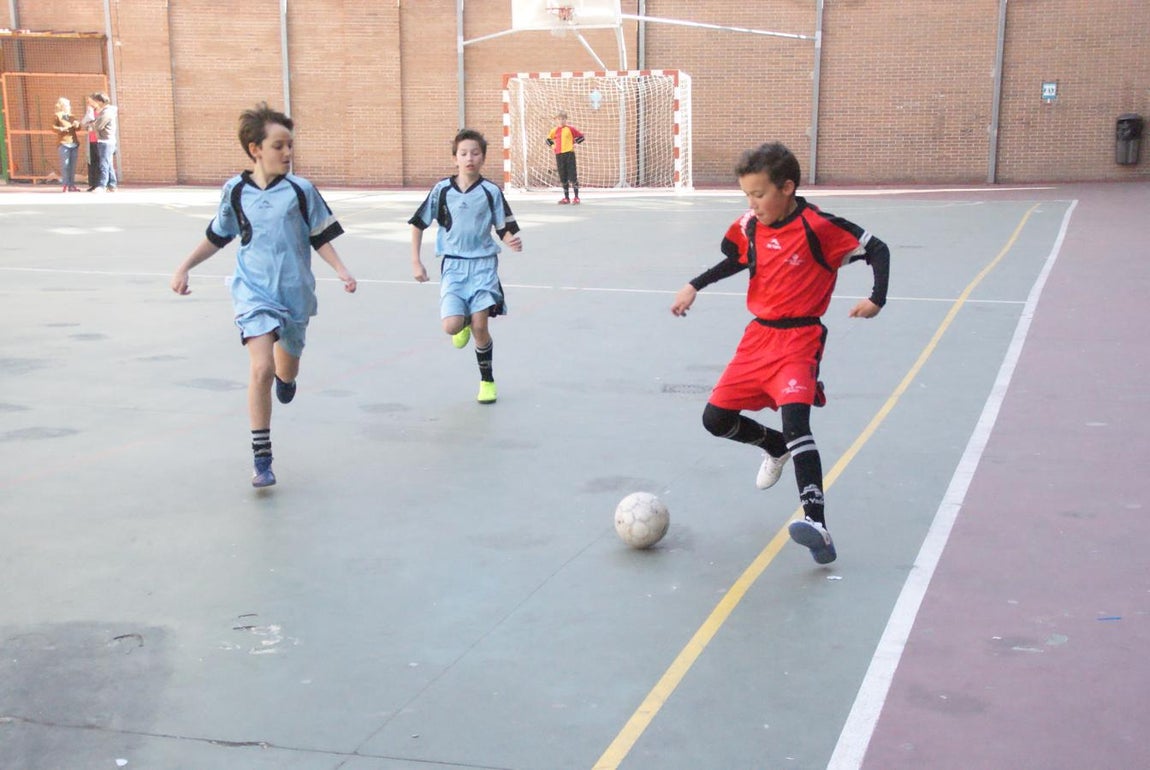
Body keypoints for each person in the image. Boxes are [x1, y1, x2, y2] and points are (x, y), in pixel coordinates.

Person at [670, 142, 891, 565]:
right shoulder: (750, 225)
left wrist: (876, 298)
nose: (751, 203)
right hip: (757, 338)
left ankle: (818, 525)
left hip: (799, 339)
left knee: (797, 422)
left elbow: (876, 248)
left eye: (759, 194)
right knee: (715, 420)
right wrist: (694, 285)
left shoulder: (818, 227)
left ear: (787, 187)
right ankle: (772, 446)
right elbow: (737, 259)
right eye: (746, 195)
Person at [170, 102, 357, 488]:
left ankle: (288, 379)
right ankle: (262, 458)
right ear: (255, 148)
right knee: (261, 368)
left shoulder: (301, 190)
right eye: (278, 145)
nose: (287, 153)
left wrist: (340, 269)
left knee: (284, 370)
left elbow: (319, 236)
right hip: (252, 290)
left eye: (289, 145)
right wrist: (185, 266)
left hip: (294, 294)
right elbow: (218, 235)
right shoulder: (235, 191)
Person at [410, 128, 522, 404]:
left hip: (483, 265)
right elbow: (418, 223)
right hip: (454, 267)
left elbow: (503, 226)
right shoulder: (442, 190)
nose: (469, 158)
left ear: (483, 158)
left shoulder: (490, 191)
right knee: (450, 327)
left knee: (481, 327)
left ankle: (487, 381)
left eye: (475, 153)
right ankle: (460, 322)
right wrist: (416, 261)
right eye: (464, 153)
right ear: (455, 158)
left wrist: (510, 240)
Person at [546, 111, 584, 204]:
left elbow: (581, 137)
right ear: (557, 120)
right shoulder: (554, 130)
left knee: (573, 176)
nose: (561, 121)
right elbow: (548, 140)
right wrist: (553, 146)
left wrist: (575, 143)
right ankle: (566, 198)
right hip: (559, 155)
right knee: (563, 176)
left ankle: (576, 197)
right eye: (559, 119)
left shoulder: (570, 129)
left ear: (566, 119)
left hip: (569, 154)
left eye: (563, 119)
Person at [83, 92, 118, 192]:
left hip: (105, 141)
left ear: (100, 101)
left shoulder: (106, 112)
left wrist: (91, 125)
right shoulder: (105, 111)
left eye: (96, 101)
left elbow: (98, 126)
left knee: (104, 163)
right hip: (105, 140)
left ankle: (102, 185)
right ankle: (112, 185)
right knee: (108, 163)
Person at [51, 97, 81, 192]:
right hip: (64, 143)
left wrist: (77, 125)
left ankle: (72, 185)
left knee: (72, 165)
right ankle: (65, 184)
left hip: (73, 142)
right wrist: (61, 129)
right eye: (67, 105)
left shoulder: (72, 116)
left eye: (69, 105)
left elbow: (78, 128)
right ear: (62, 106)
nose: (69, 107)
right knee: (65, 164)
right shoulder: (57, 115)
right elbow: (53, 127)